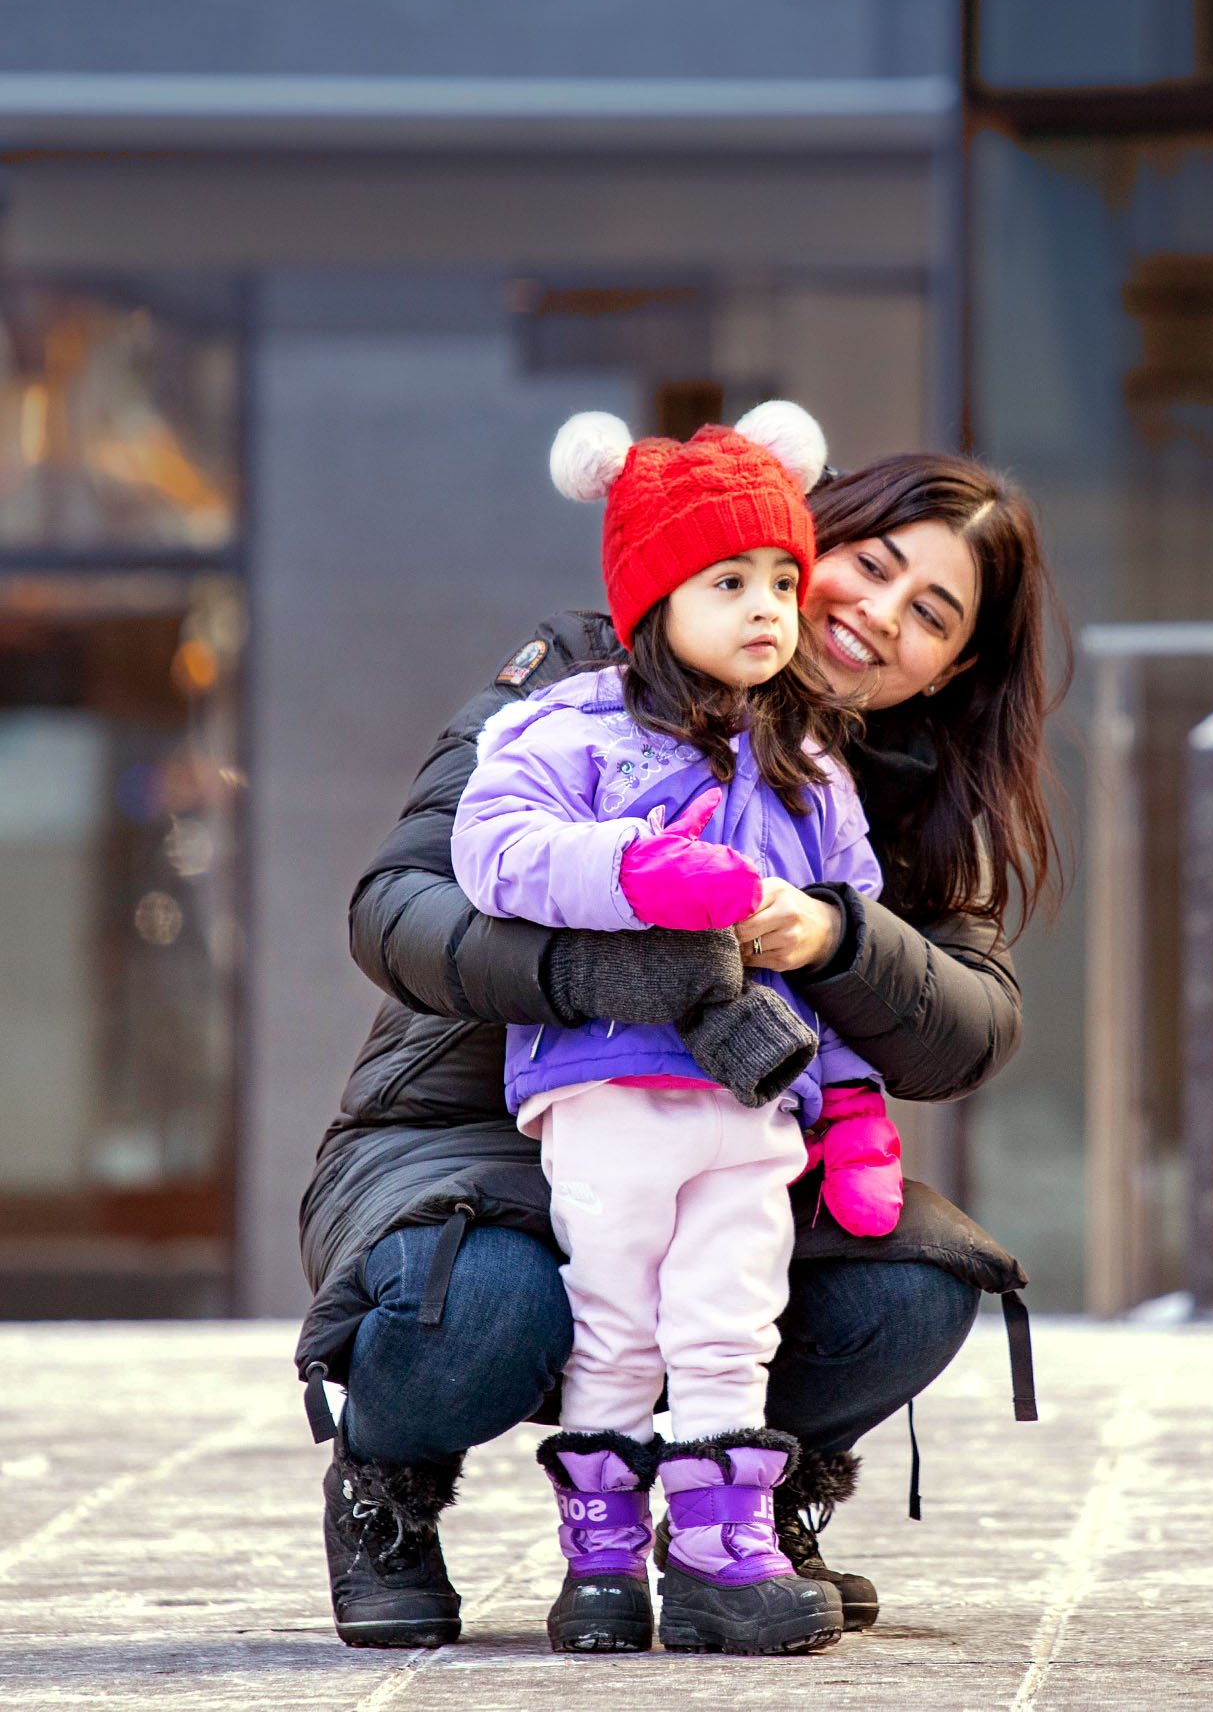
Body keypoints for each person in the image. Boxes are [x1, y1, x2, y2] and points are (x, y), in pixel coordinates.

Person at [297, 429, 1067, 1651]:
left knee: (918, 1283)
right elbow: (401, 906)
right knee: (485, 1307)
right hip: (473, 1135)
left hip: (729, 1142)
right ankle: (388, 1489)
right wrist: (608, 963)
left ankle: (743, 1511)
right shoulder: (588, 674)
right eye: (866, 564)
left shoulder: (905, 792)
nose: (874, 616)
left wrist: (835, 937)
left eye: (930, 613)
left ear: (950, 669)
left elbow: (970, 1027)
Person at [449, 402, 904, 1656]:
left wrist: (855, 1102)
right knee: (619, 1317)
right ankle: (600, 1563)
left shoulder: (808, 755)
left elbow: (847, 920)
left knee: (728, 1313)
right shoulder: (570, 726)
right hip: (610, 1081)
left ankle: (722, 1551)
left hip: (756, 1095)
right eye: (729, 580)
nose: (767, 606)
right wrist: (642, 875)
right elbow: (493, 854)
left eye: (780, 579)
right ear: (655, 598)